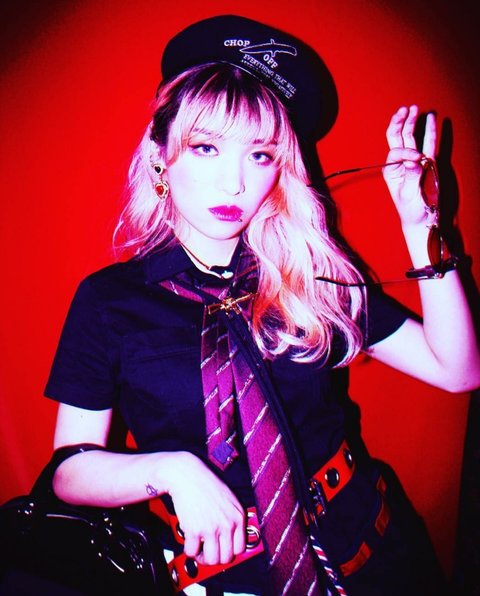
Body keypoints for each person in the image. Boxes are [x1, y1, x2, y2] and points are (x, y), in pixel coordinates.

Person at [45, 14, 480, 596]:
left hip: (375, 558)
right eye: (206, 148)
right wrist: (168, 469)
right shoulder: (109, 302)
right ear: (160, 155)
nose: (234, 184)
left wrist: (419, 224)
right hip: (222, 579)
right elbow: (68, 472)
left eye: (259, 155)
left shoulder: (311, 276)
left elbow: (458, 370)